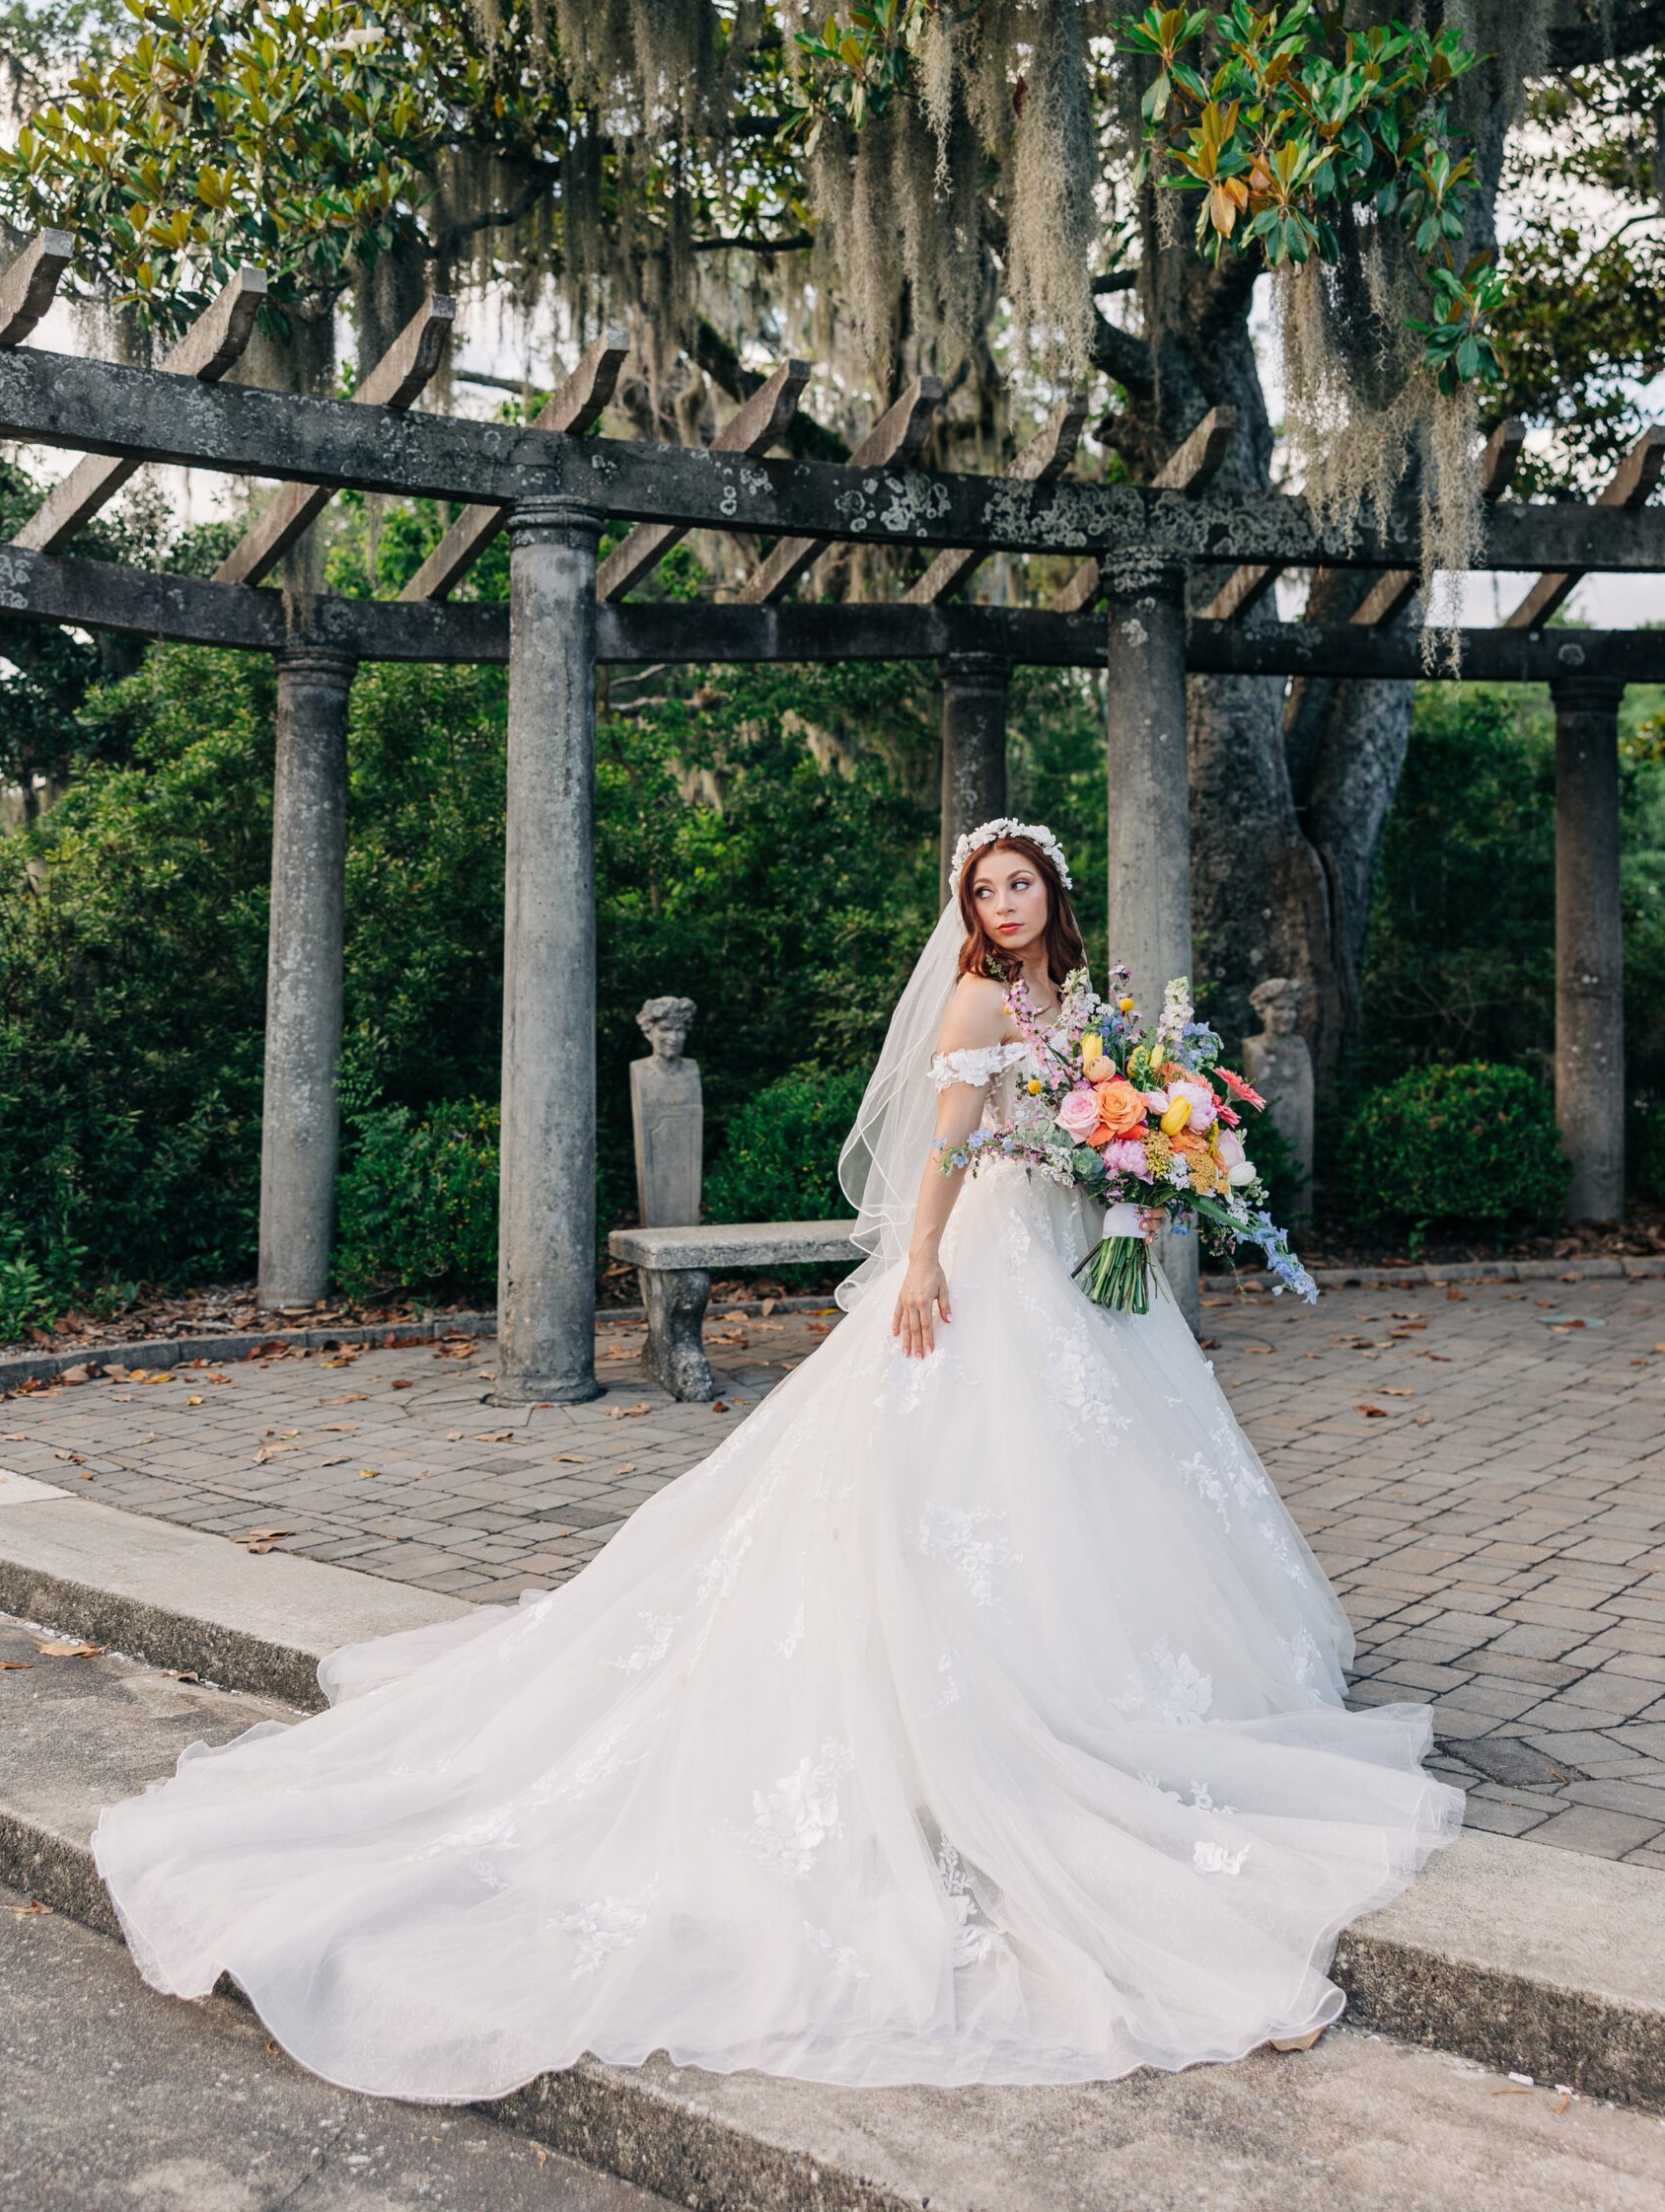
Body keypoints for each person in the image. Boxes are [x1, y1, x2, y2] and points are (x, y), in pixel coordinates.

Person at [93, 822, 1461, 2100]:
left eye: (1019, 886)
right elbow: (942, 1147)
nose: (1002, 906)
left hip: (1071, 1255)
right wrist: (923, 1262)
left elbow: (1101, 1127)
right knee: (964, 1480)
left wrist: (1138, 1156)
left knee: (1104, 1482)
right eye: (982, 892)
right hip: (990, 1252)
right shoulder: (984, 1004)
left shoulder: (1088, 1010)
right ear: (969, 916)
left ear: (1053, 896)